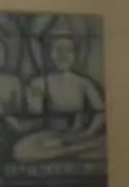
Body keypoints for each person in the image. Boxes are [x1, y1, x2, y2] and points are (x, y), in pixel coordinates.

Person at [14, 26, 107, 164]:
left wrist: (88, 133)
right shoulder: (40, 82)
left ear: (75, 55)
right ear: (49, 53)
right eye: (58, 50)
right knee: (22, 151)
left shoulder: (83, 83)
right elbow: (35, 117)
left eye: (68, 51)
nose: (63, 55)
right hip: (50, 137)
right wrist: (33, 98)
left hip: (78, 136)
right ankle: (70, 151)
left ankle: (77, 149)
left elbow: (101, 112)